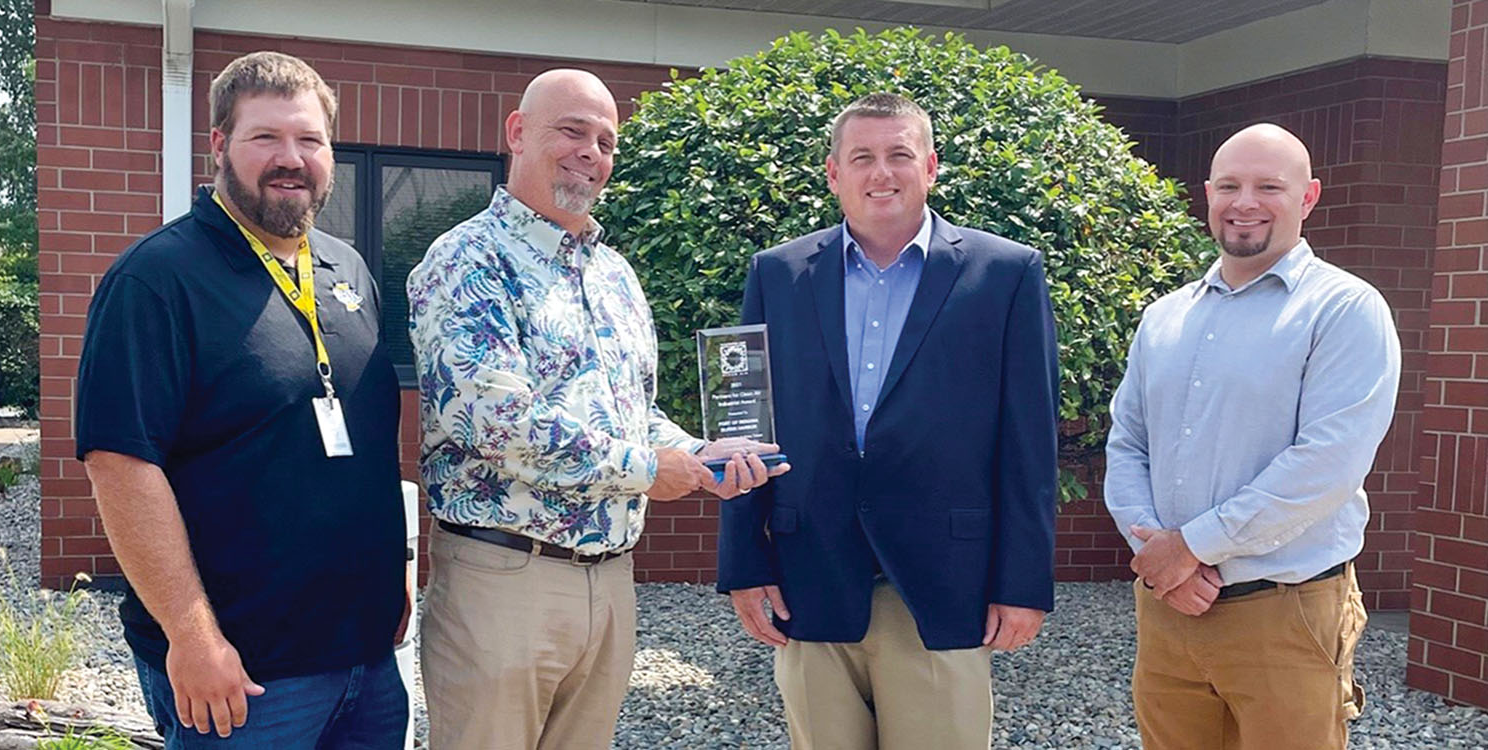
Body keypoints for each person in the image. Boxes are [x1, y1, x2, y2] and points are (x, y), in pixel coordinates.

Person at [406, 68, 784, 750]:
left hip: (609, 582)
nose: (592, 153)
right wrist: (648, 470)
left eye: (606, 141)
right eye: (572, 131)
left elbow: (634, 411)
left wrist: (700, 454)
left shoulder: (613, 274)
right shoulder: (467, 260)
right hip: (503, 581)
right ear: (518, 134)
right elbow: (499, 424)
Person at [76, 51, 410, 748]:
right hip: (244, 674)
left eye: (309, 140)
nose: (291, 158)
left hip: (367, 661)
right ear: (221, 146)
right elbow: (121, 465)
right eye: (266, 138)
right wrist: (191, 637)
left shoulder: (347, 269)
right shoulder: (157, 280)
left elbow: (372, 436)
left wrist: (397, 574)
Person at [717, 93, 1060, 749]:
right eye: (863, 157)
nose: (882, 173)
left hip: (944, 584)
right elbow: (744, 424)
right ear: (833, 174)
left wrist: (1023, 585)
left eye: (899, 155)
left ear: (930, 167)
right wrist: (743, 562)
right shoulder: (777, 274)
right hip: (809, 577)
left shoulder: (1007, 274)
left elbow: (1029, 446)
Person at [1104, 122, 1401, 750]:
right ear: (1208, 194)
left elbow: (1326, 464)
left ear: (1309, 197)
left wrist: (1192, 548)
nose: (1245, 203)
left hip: (1285, 614)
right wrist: (1160, 552)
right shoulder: (1165, 317)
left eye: (1269, 186)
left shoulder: (1344, 310)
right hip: (1167, 609)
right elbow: (1127, 444)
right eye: (1230, 186)